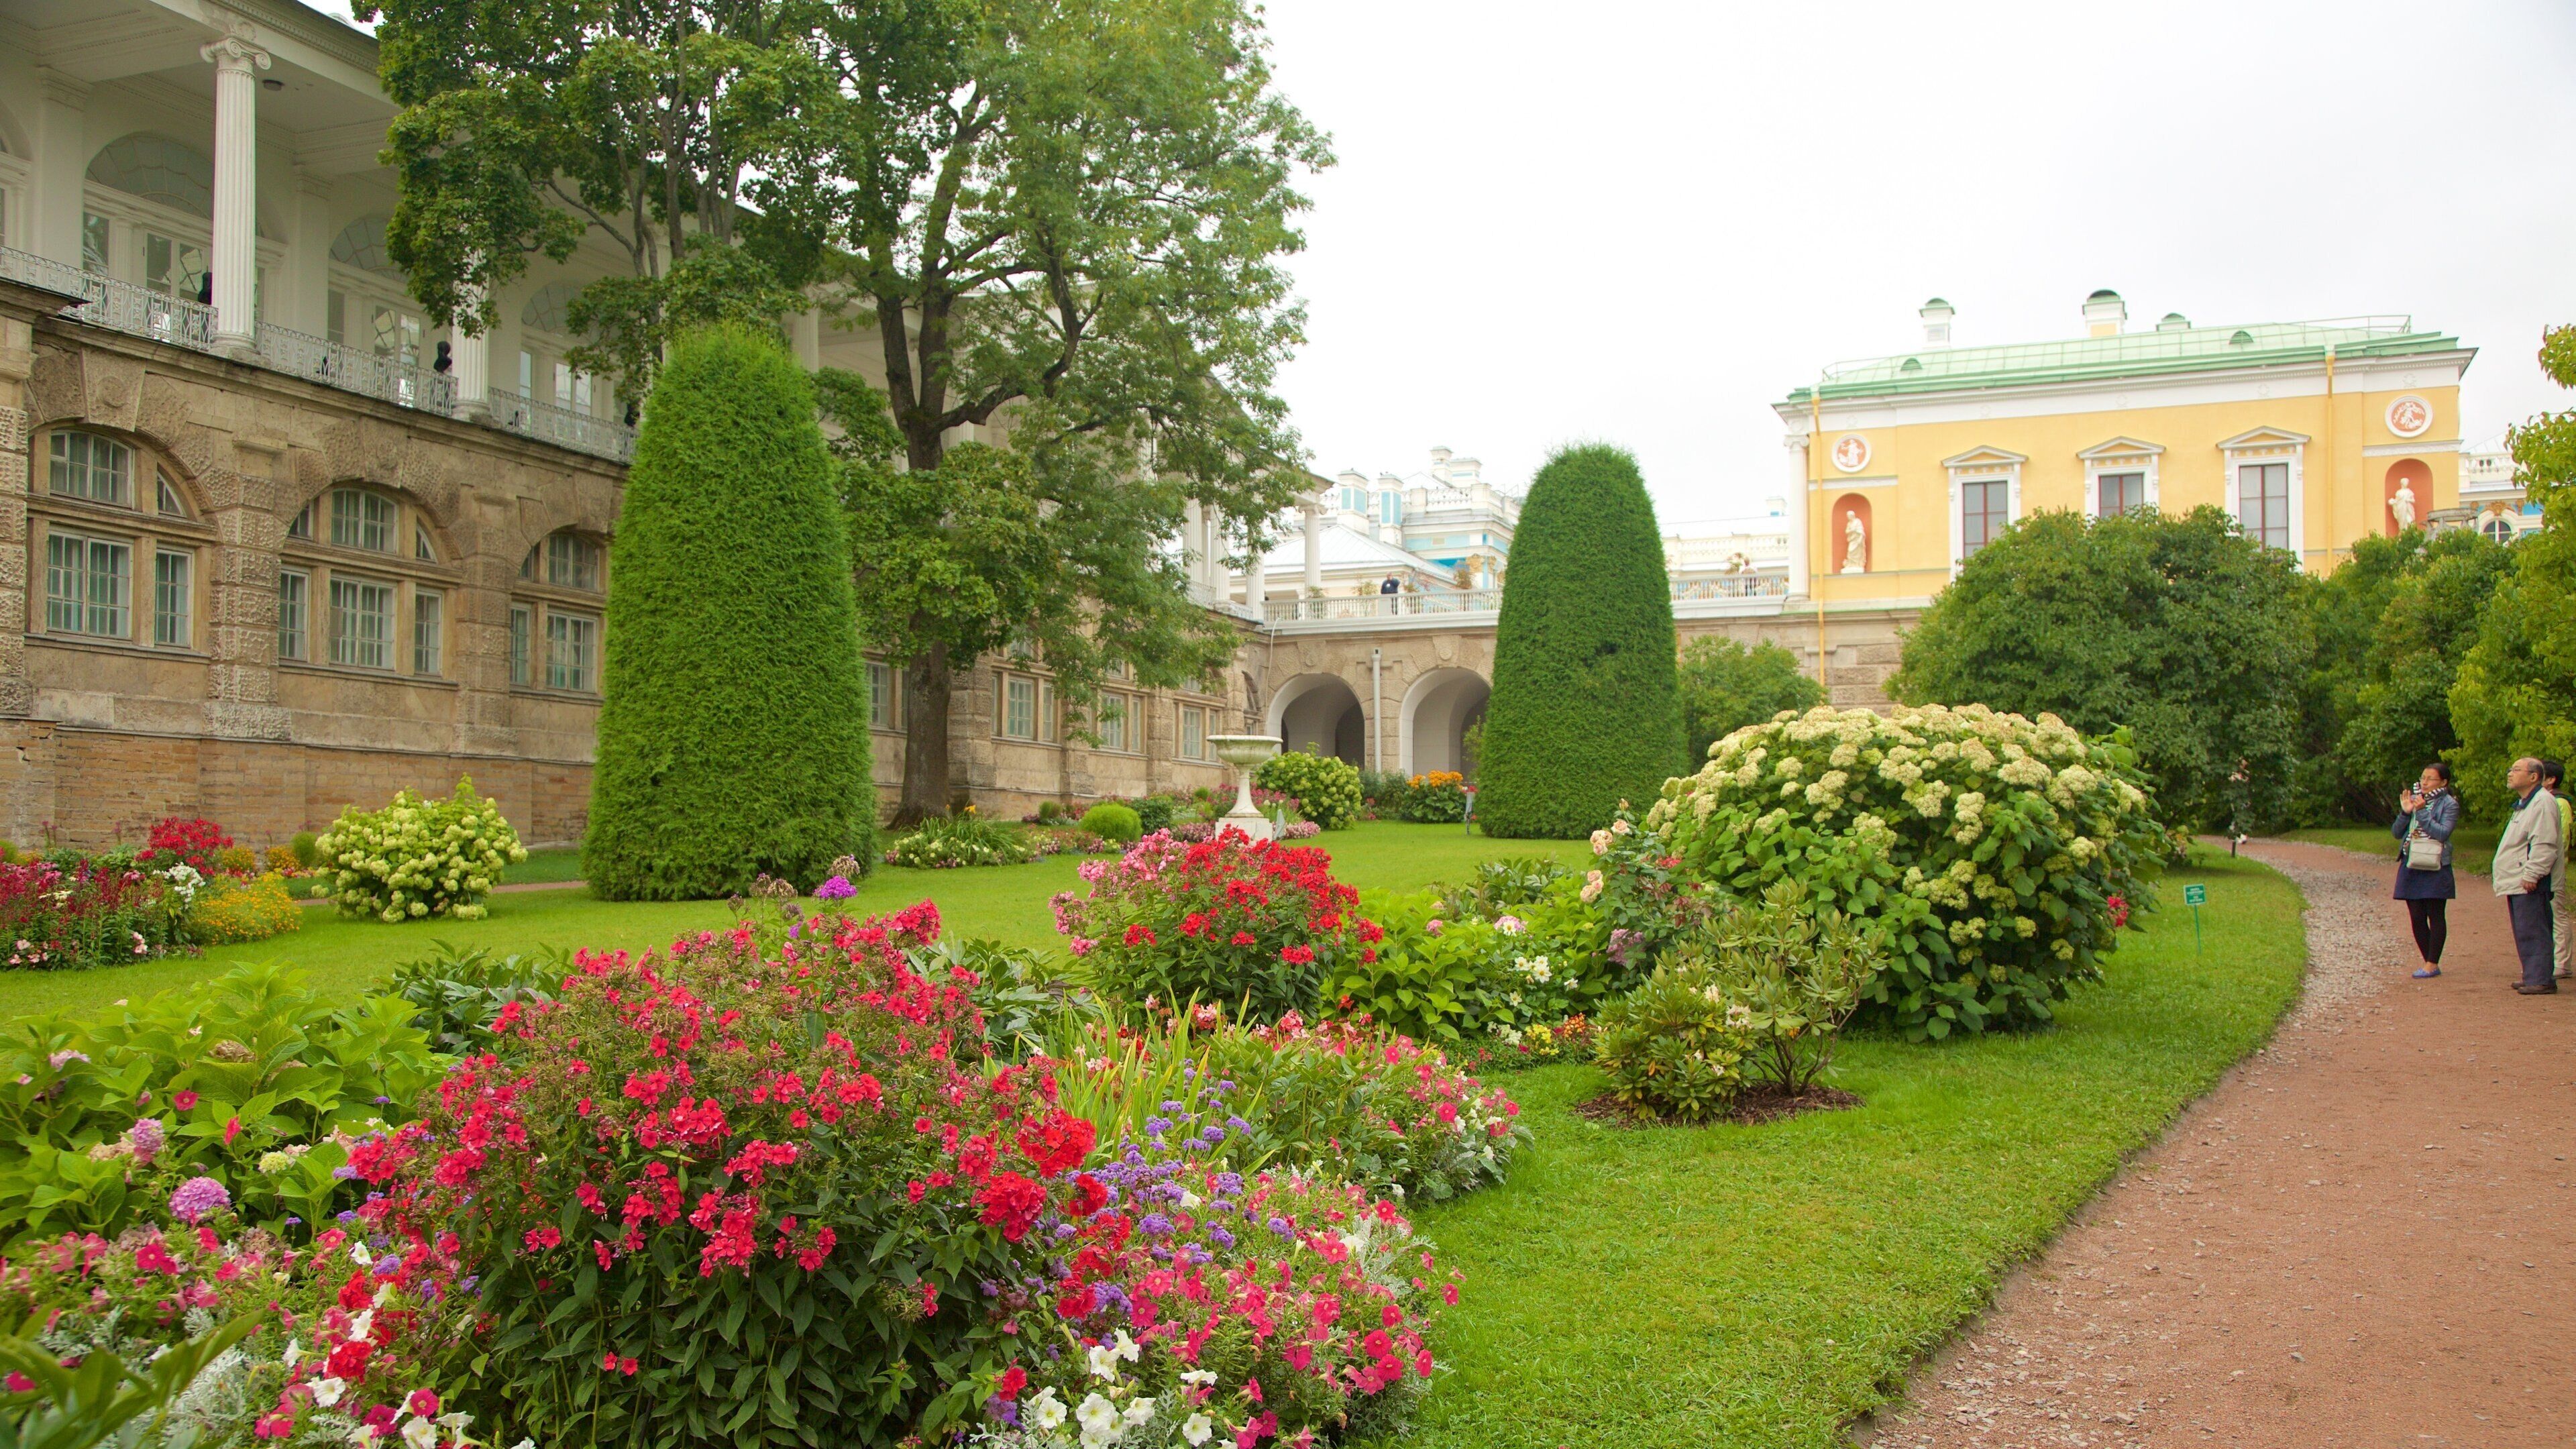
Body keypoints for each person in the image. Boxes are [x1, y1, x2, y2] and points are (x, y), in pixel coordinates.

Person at [2492, 755, 2564, 996]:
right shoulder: (2526, 802)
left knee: (2534, 928)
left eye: (2516, 770)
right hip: (2519, 878)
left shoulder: (2542, 802)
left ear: (2533, 776)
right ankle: (2533, 975)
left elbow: (2544, 843)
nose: (2510, 773)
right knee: (2525, 929)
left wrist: (2533, 874)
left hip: (2530, 880)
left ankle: (2541, 978)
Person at [2392, 762, 2461, 978]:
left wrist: (2421, 812)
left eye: (2430, 779)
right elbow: (2396, 833)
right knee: (2416, 915)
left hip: (2435, 865)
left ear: (2444, 782)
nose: (2424, 782)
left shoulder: (2449, 804)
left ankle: (2432, 962)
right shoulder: (2414, 799)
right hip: (2411, 863)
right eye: (2423, 777)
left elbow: (2441, 833)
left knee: (2435, 913)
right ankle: (2427, 960)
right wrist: (2406, 813)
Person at [2546, 759, 2573, 981]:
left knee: (2558, 913)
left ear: (2551, 779)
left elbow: (2561, 837)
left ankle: (2562, 962)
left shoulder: (2559, 802)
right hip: (2542, 865)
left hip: (2554, 866)